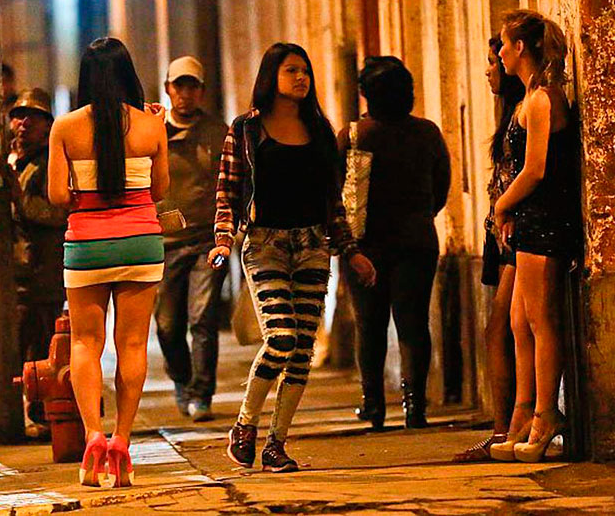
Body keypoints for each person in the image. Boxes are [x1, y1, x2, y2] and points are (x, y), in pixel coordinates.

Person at [209, 43, 376, 472]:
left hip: (313, 246)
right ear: (272, 76)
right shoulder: (246, 129)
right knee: (280, 336)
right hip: (264, 245)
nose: (301, 78)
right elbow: (227, 194)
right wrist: (223, 240)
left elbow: (332, 200)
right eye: (291, 71)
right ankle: (245, 425)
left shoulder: (319, 129)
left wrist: (350, 251)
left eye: (305, 71)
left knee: (301, 351)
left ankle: (275, 444)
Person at [48, 38, 169, 487]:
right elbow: (159, 190)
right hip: (141, 243)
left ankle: (93, 437)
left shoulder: (66, 128)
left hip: (87, 246)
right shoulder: (151, 127)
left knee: (85, 343)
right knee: (133, 345)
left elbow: (59, 196)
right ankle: (121, 441)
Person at [489, 10, 581, 463]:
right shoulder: (528, 97)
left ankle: (546, 414)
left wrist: (503, 203)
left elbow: (537, 167)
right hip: (530, 220)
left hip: (544, 220)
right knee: (519, 321)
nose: (500, 54)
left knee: (542, 321)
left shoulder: (543, 99)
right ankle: (523, 413)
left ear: (520, 48)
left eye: (504, 45)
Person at [340, 57, 450, 430]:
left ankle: (373, 405)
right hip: (417, 238)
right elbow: (442, 187)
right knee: (413, 323)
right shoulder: (427, 133)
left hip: (364, 244)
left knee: (368, 325)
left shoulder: (354, 135)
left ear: (366, 94)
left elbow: (337, 193)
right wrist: (419, 214)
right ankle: (414, 406)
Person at [454, 37, 525, 462]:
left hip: (517, 235)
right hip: (500, 235)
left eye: (493, 61)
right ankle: (508, 427)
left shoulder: (525, 113)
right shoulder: (508, 116)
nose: (489, 69)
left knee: (501, 328)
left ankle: (508, 429)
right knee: (503, 328)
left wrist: (504, 211)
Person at [154, 56, 229, 422]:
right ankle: (181, 379)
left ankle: (202, 392)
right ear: (168, 88)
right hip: (164, 244)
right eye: (178, 86)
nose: (185, 94)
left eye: (192, 86)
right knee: (167, 324)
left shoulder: (218, 132)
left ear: (201, 91)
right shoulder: (153, 133)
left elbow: (234, 181)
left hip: (206, 241)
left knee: (203, 317)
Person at [8, 89, 67, 362]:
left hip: (41, 279)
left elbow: (58, 214)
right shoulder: (8, 160)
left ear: (47, 125)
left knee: (39, 358)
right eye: (19, 116)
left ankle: (37, 407)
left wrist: (21, 200)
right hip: (12, 276)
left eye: (33, 117)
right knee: (14, 353)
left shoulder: (52, 164)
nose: (24, 123)